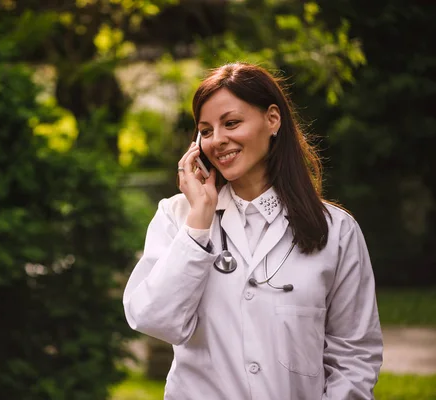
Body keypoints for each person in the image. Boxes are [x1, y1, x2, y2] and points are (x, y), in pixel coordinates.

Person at [123, 63, 383, 399]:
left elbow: (355, 356)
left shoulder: (337, 231)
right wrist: (199, 222)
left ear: (272, 119)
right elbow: (156, 320)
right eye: (205, 130)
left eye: (231, 123)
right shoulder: (177, 216)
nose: (217, 140)